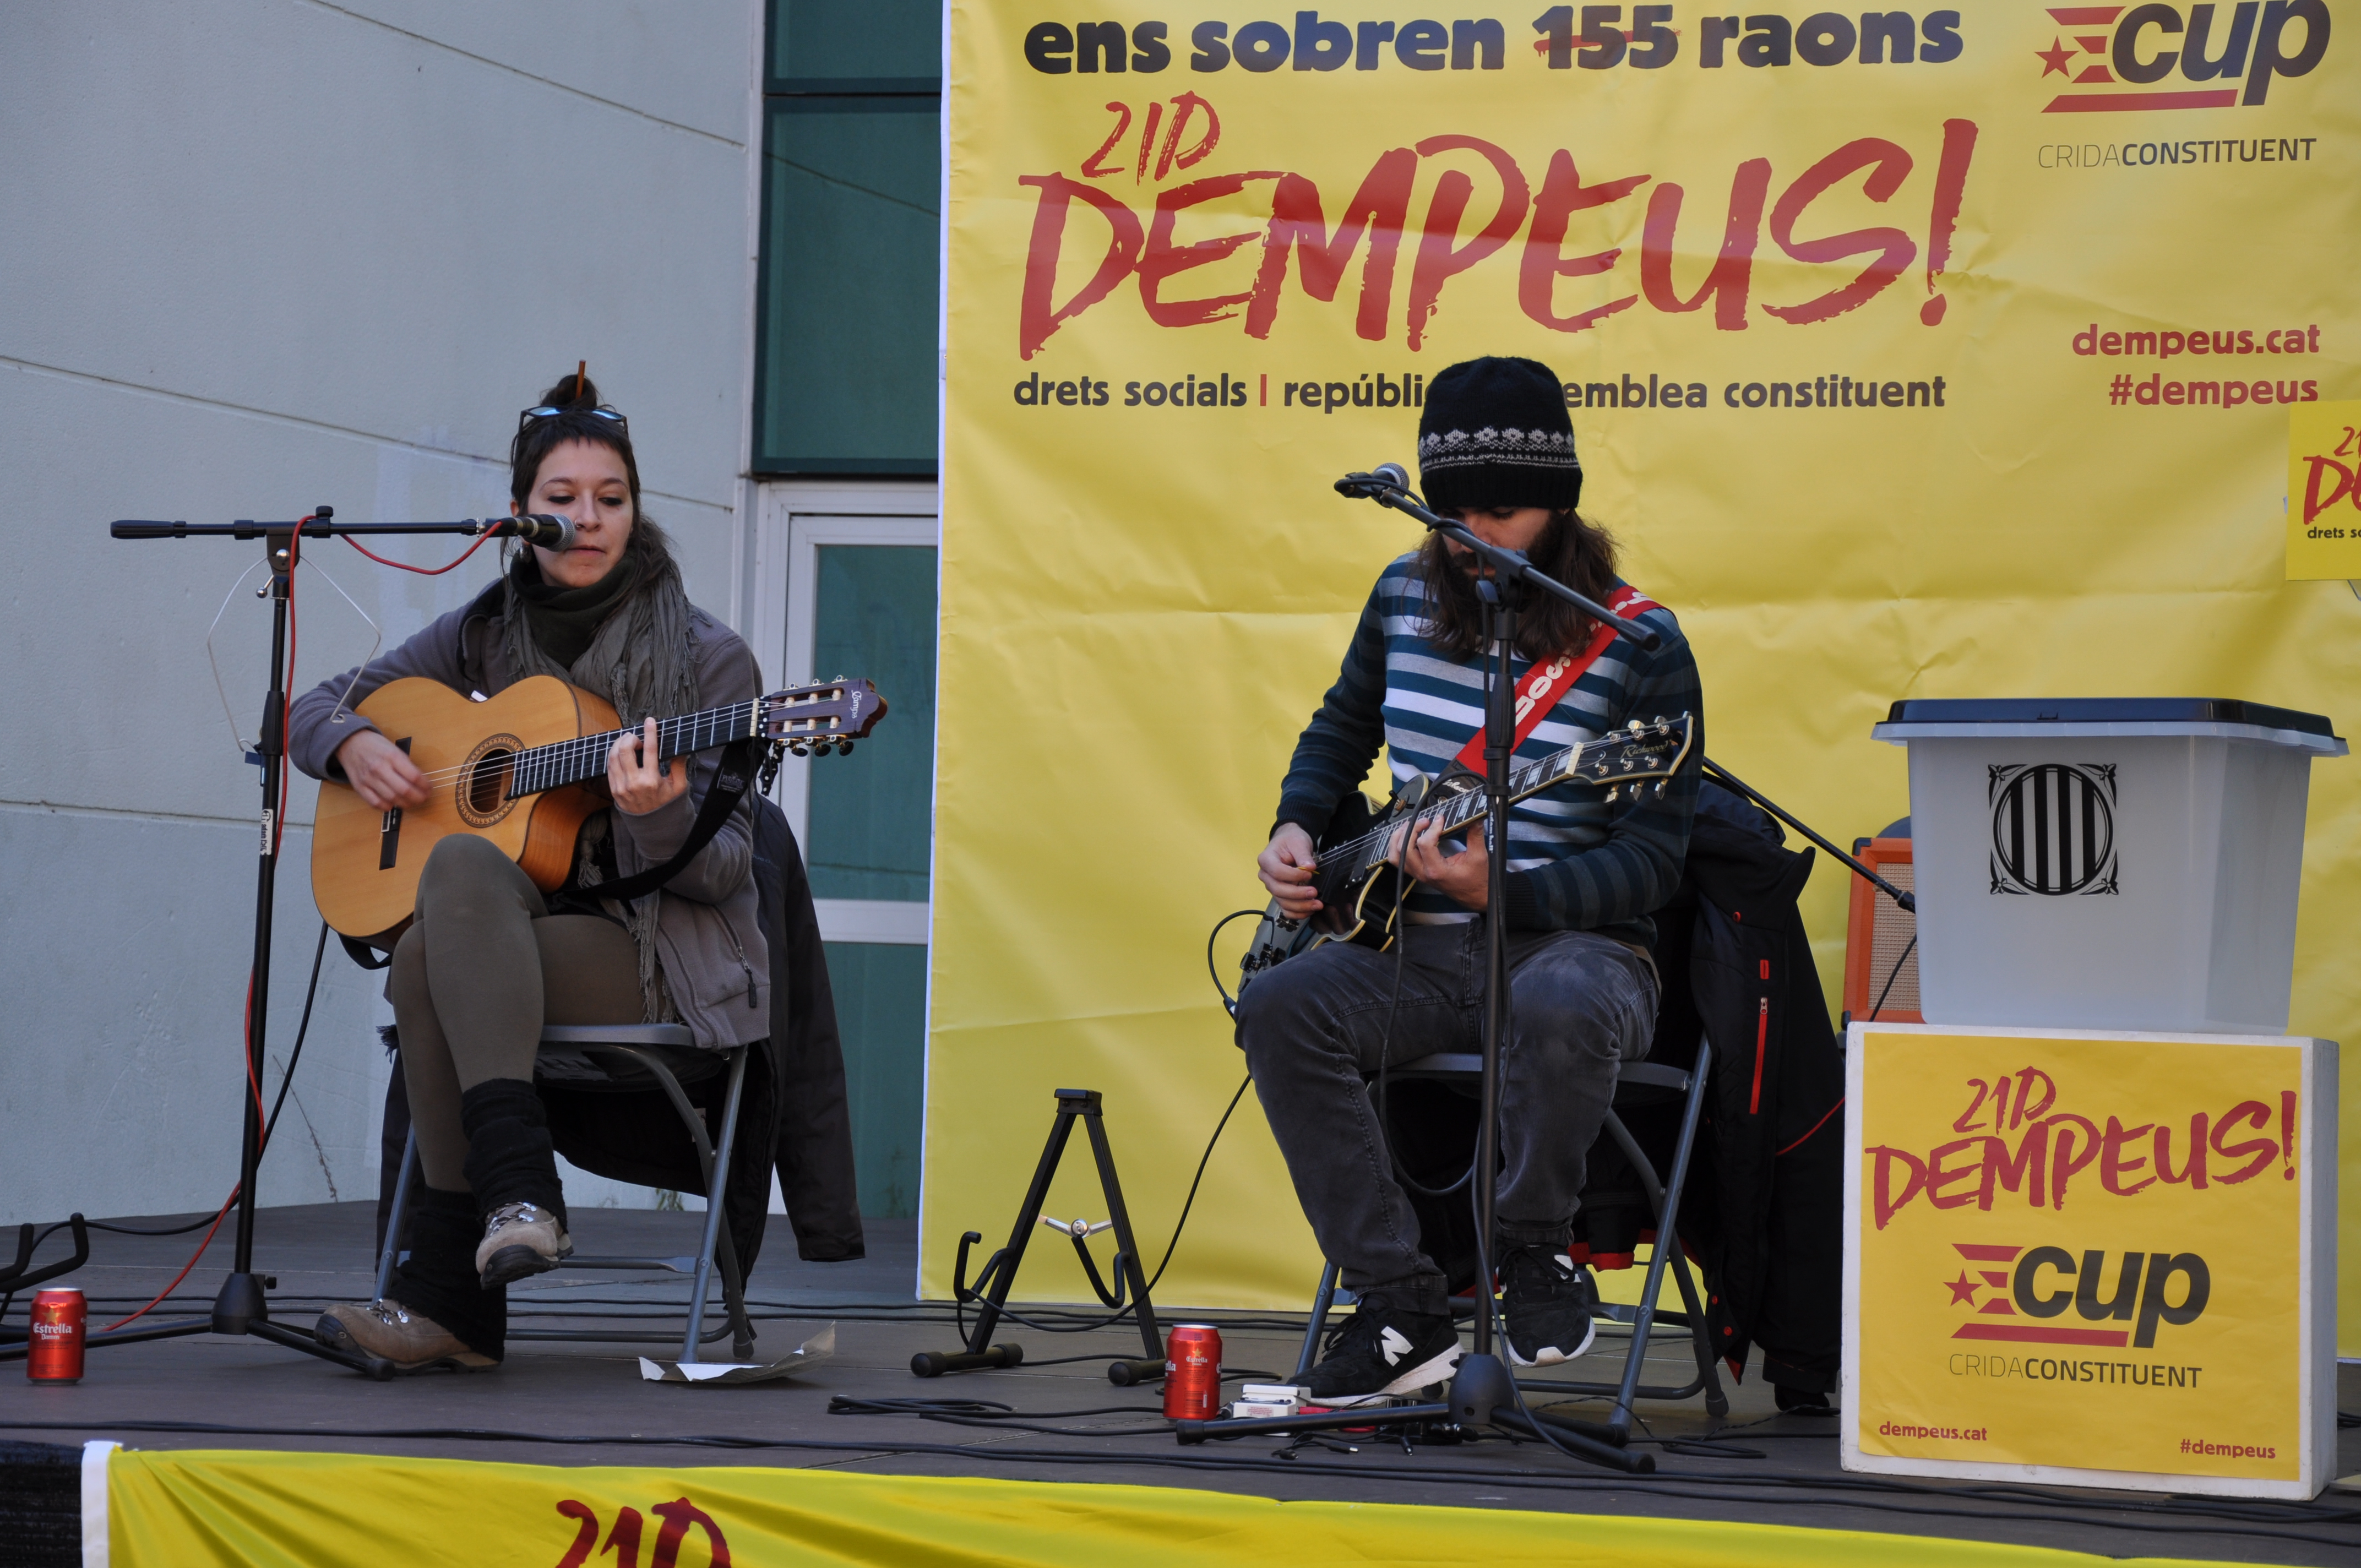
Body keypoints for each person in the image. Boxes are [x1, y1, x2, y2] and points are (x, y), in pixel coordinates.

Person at [1237, 356, 1703, 1404]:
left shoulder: (1640, 643)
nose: (1474, 537)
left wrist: (1508, 896)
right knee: (1278, 1006)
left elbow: (1653, 865)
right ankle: (1399, 1305)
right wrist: (1298, 824)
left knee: (1562, 999)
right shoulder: (1401, 594)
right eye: (1454, 514)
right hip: (1412, 946)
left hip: (1577, 952)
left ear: (1559, 505)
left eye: (1503, 513)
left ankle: (1534, 1246)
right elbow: (1342, 728)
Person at [289, 370, 770, 1371]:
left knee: (431, 947)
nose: (587, 519)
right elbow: (311, 706)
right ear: (521, 513)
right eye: (562, 499)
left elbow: (728, 872)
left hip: (658, 954)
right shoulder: (483, 631)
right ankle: (514, 1202)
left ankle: (458, 1291)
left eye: (611, 498)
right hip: (503, 941)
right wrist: (351, 745)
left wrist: (657, 814)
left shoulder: (708, 661)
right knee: (451, 894)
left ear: (635, 509)